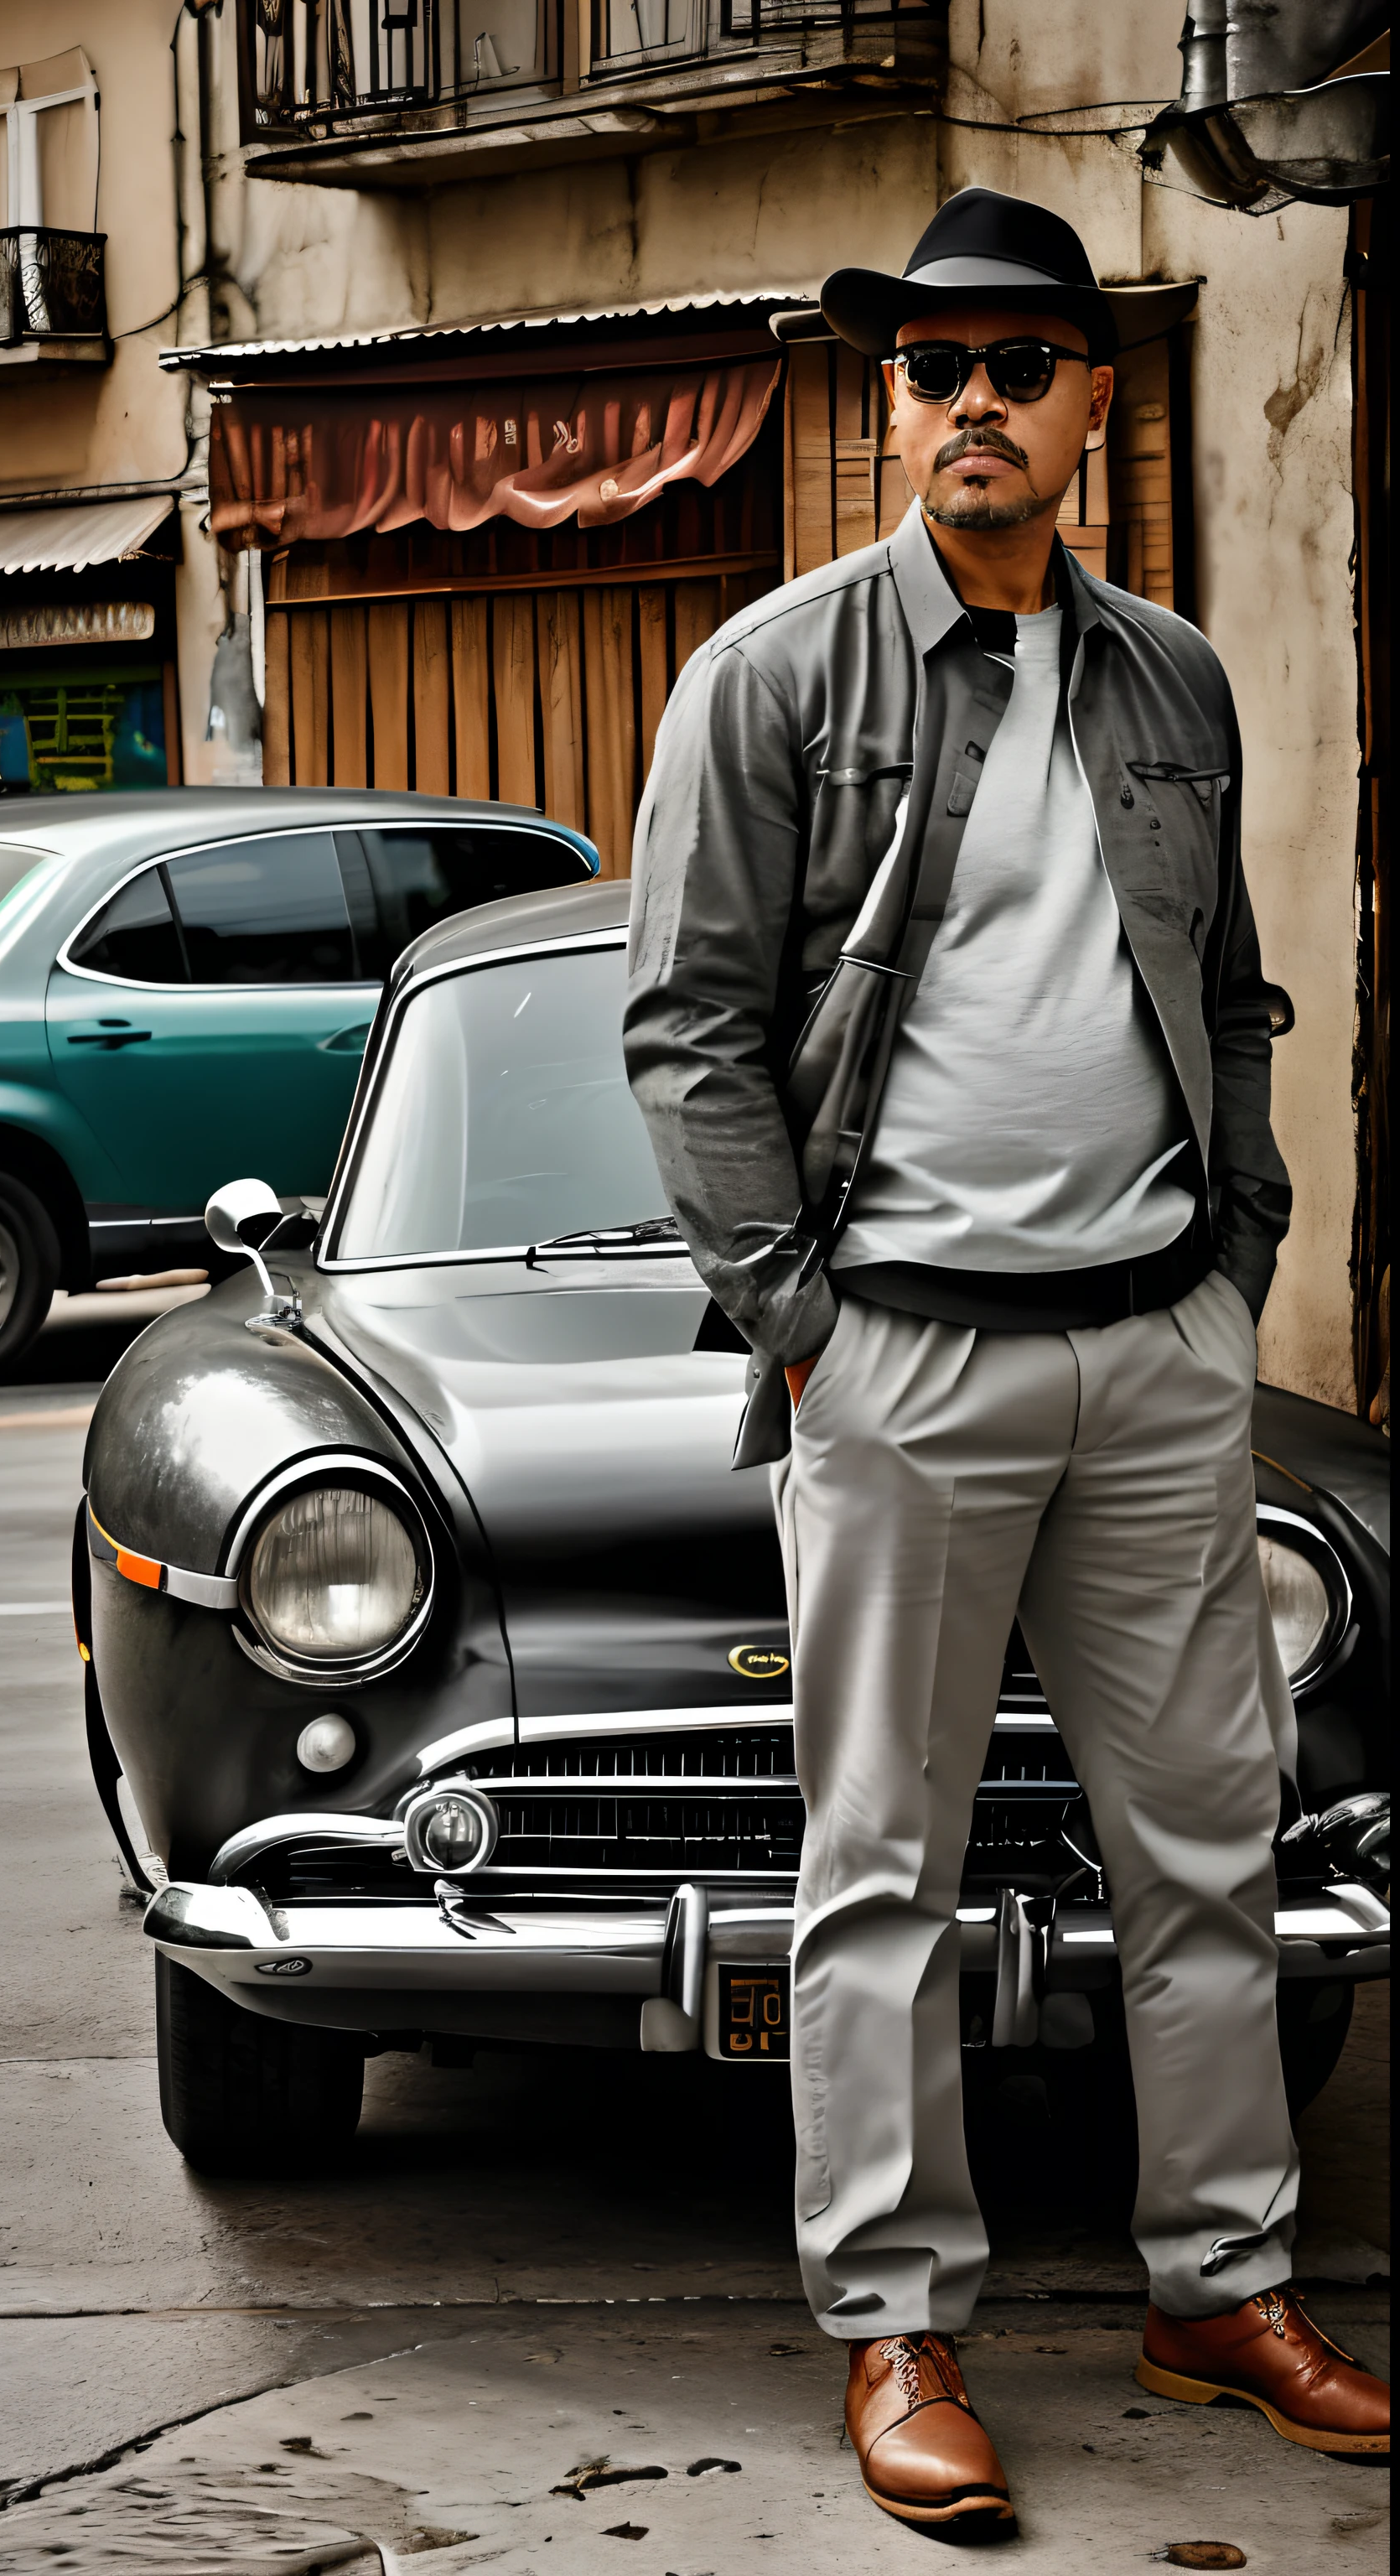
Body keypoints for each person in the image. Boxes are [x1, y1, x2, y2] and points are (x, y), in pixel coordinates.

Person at [624, 185, 1389, 2533]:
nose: (974, 398)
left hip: (1150, 1351)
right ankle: (896, 2326)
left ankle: (1218, 2287)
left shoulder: (1171, 675)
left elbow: (1232, 995)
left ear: (1087, 399)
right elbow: (689, 1028)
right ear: (892, 404)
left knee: (1208, 1851)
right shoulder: (776, 675)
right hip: (904, 1364)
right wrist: (810, 1330)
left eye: (1021, 359)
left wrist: (1225, 1268)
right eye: (931, 364)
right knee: (880, 1869)